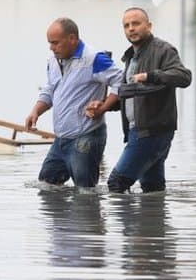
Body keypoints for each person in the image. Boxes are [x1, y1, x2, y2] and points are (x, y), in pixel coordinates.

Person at [87, 7, 191, 193]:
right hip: (138, 130)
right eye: (126, 25)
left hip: (151, 132)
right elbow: (133, 95)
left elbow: (183, 77)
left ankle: (126, 222)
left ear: (149, 26)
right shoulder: (131, 57)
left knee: (117, 183)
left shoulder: (163, 50)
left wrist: (150, 76)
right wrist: (105, 106)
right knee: (152, 188)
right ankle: (151, 221)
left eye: (136, 23)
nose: (131, 29)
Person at [25, 17, 123, 188]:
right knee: (46, 186)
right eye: (49, 43)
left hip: (86, 137)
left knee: (85, 193)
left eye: (55, 43)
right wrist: (35, 111)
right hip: (61, 139)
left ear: (72, 39)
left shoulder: (93, 59)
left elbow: (121, 81)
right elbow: (50, 89)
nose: (51, 48)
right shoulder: (53, 61)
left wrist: (104, 107)